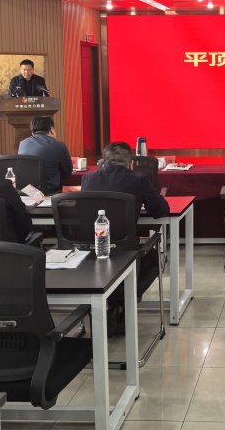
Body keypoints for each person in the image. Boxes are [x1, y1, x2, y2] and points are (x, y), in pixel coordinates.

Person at [82, 142, 170, 332]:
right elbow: (162, 210)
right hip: (126, 252)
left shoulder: (88, 179)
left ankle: (115, 303)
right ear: (131, 163)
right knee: (154, 258)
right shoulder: (139, 180)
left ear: (103, 162)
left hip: (92, 252)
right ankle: (124, 302)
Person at [17, 116, 72, 194]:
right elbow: (68, 172)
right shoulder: (59, 146)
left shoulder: (23, 144)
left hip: (27, 192)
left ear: (32, 131)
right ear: (52, 130)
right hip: (49, 193)